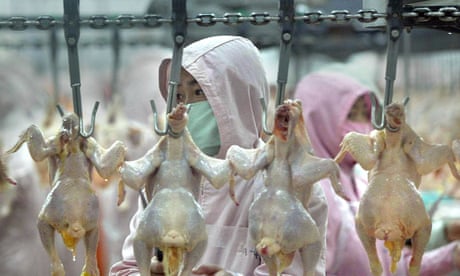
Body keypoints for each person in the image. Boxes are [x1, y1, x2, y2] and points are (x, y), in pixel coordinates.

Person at [110, 35, 328, 275]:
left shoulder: (290, 185)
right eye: (179, 96)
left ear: (237, 96)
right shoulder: (163, 181)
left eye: (199, 93)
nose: (187, 107)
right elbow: (126, 268)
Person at [294, 70, 460, 275]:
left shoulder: (360, 178)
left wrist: (451, 254)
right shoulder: (309, 194)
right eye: (351, 114)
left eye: (365, 113)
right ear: (317, 118)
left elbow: (390, 266)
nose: (362, 122)